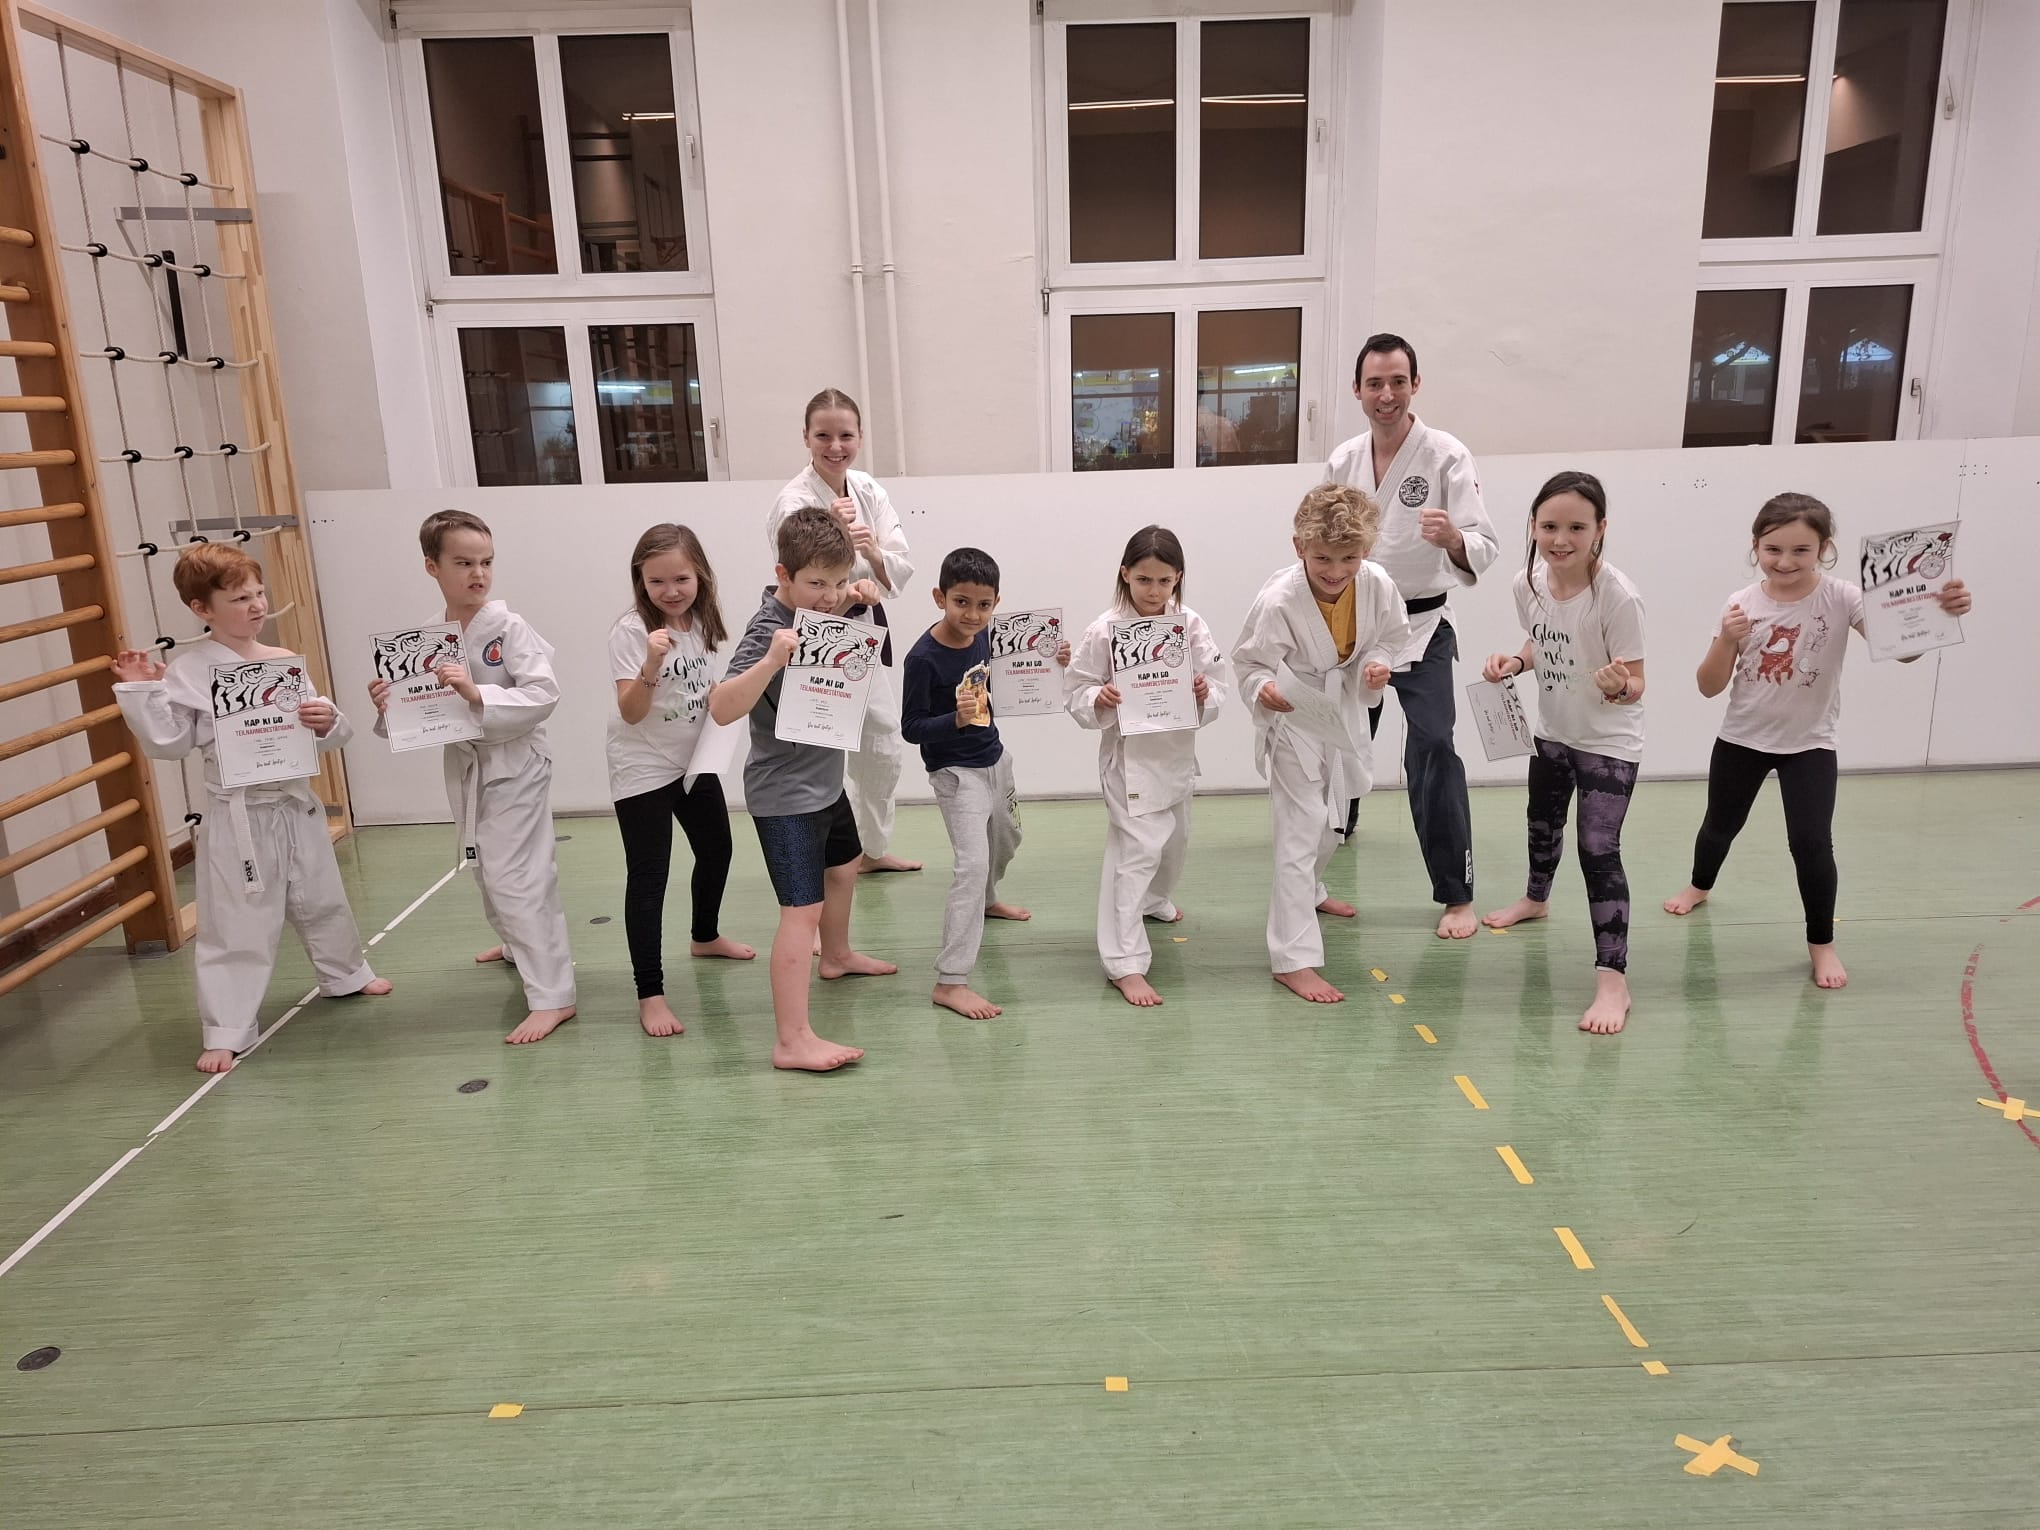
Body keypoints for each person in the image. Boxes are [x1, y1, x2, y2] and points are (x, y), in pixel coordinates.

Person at [1662, 492, 1973, 990]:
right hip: (1742, 738)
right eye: (1773, 549)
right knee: (1720, 826)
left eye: (1801, 550)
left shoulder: (1844, 597)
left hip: (1810, 744)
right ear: (1755, 547)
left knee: (1811, 843)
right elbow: (1708, 686)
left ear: (1824, 549)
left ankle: (1821, 943)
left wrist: (1939, 612)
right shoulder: (1741, 603)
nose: (1785, 561)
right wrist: (1725, 638)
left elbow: (1902, 651)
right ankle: (1700, 885)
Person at [111, 544, 391, 1073]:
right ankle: (227, 1027)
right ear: (202, 608)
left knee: (321, 896)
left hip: (295, 805)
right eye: (240, 599)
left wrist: (326, 720)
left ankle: (346, 974)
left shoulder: (283, 662)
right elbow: (169, 743)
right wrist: (143, 691)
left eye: (259, 594)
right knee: (236, 920)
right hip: (238, 815)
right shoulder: (190, 671)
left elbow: (330, 735)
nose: (257, 605)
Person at [369, 510, 575, 1045]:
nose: (478, 573)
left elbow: (543, 694)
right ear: (432, 566)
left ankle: (554, 995)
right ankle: (515, 945)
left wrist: (477, 692)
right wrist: (390, 706)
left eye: (485, 562)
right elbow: (419, 719)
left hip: (515, 764)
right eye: (463, 563)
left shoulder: (508, 628)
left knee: (518, 877)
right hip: (466, 765)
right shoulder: (424, 640)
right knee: (486, 867)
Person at [1324, 333, 1498, 939]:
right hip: (1355, 623)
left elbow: (1485, 544)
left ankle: (1456, 893)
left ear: (1415, 384)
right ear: (1357, 390)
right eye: (1375, 383)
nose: (1387, 394)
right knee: (1340, 740)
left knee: (1434, 748)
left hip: (1423, 625)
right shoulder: (1343, 461)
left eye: (1398, 381)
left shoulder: (1447, 455)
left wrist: (1454, 538)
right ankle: (1329, 844)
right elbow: (1322, 542)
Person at [709, 506, 896, 1071]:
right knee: (800, 911)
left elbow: (843, 613)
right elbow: (721, 707)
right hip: (785, 795)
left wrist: (858, 595)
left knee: (844, 866)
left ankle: (836, 956)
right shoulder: (767, 628)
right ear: (782, 576)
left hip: (825, 782)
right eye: (816, 583)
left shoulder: (823, 608)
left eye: (837, 581)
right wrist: (771, 660)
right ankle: (791, 1041)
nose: (828, 595)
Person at [1477, 471, 1647, 1034]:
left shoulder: (1617, 596)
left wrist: (1619, 686)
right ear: (1533, 526)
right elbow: (1540, 640)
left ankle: (1613, 979)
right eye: (1549, 526)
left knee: (1598, 849)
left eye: (1576, 527)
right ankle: (1536, 899)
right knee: (1541, 823)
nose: (1561, 539)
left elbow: (1638, 681)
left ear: (1600, 529)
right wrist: (1515, 662)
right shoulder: (1526, 583)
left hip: (1608, 743)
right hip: (1553, 730)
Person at [1234, 485, 1411, 1003]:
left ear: (1367, 550)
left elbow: (1392, 636)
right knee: (1300, 827)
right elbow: (1249, 662)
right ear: (1300, 548)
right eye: (1323, 558)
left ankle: (1310, 890)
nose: (1335, 571)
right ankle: (1293, 958)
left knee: (1335, 816)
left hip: (1343, 707)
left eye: (1348, 558)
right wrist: (1263, 689)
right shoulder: (1279, 599)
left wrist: (1377, 665)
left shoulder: (1376, 584)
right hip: (1295, 711)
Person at [898, 547, 1069, 1019]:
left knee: (1007, 839)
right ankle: (951, 981)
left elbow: (1018, 676)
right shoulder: (923, 658)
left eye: (983, 605)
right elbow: (911, 727)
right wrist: (953, 720)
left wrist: (1056, 659)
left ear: (996, 603)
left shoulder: (989, 637)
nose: (972, 614)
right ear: (940, 598)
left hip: (996, 760)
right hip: (956, 776)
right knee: (971, 866)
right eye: (961, 602)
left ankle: (987, 900)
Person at [1065, 525, 1226, 1007]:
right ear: (1125, 575)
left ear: (1178, 578)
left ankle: (1154, 901)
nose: (1154, 591)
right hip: (1129, 761)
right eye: (1143, 580)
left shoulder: (1189, 625)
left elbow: (1218, 682)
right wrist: (1099, 697)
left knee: (1173, 844)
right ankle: (1125, 963)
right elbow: (1076, 690)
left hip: (1176, 755)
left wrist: (1204, 692)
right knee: (1135, 855)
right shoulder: (1104, 630)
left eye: (1164, 581)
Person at [606, 523, 755, 1040]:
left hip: (693, 759)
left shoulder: (701, 619)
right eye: (657, 582)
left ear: (700, 577)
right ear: (640, 581)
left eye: (681, 580)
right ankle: (650, 992)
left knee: (717, 850)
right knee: (650, 878)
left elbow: (698, 683)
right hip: (642, 767)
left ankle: (704, 936)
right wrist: (651, 663)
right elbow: (630, 712)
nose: (670, 591)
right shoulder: (631, 631)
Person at [767, 388, 919, 874]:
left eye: (846, 435)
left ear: (860, 437)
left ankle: (870, 849)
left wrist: (870, 550)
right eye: (823, 436)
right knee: (817, 747)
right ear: (806, 438)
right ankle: (820, 855)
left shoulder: (868, 490)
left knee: (882, 744)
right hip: (812, 635)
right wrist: (831, 532)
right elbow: (796, 575)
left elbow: (898, 566)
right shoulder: (793, 500)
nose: (835, 446)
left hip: (860, 635)